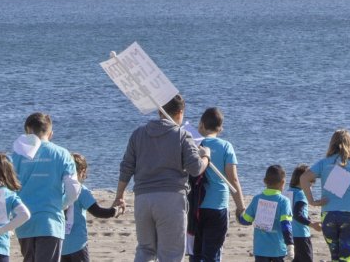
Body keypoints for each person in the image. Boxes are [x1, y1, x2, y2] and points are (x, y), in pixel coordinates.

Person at [114, 94, 211, 262]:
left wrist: (119, 195)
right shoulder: (182, 135)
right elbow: (196, 169)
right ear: (180, 112)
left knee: (145, 250)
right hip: (171, 199)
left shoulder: (138, 134)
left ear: (160, 111)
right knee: (171, 254)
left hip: (143, 199)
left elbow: (126, 167)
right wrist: (206, 157)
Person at [298, 129, 350, 262]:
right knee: (347, 258)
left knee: (335, 258)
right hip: (349, 217)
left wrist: (312, 201)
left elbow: (303, 178)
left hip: (328, 216)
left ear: (332, 144)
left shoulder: (324, 163)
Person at [11, 112, 81, 262]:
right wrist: (61, 204)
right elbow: (74, 190)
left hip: (24, 222)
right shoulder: (62, 154)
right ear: (51, 134)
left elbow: (8, 188)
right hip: (50, 221)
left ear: (27, 131)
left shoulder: (15, 155)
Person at [190, 107, 244, 262]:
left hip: (195, 206)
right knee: (212, 253)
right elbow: (233, 179)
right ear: (220, 128)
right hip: (217, 206)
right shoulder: (226, 146)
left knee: (195, 252)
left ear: (201, 125)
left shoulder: (193, 144)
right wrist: (240, 207)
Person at [62, 153, 118, 262]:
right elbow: (97, 212)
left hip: (60, 244)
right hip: (78, 244)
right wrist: (114, 211)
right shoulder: (82, 190)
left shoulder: (58, 189)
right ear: (82, 172)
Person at [237, 164, 294, 262]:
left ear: (264, 181)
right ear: (283, 182)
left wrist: (239, 213)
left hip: (260, 250)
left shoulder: (257, 199)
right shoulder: (284, 201)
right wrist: (290, 245)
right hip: (278, 250)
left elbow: (245, 221)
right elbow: (286, 225)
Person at [287, 164, 321, 262]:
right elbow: (297, 214)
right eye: (311, 181)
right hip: (301, 235)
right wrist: (312, 225)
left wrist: (309, 219)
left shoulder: (288, 192)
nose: (312, 185)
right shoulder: (301, 194)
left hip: (289, 234)